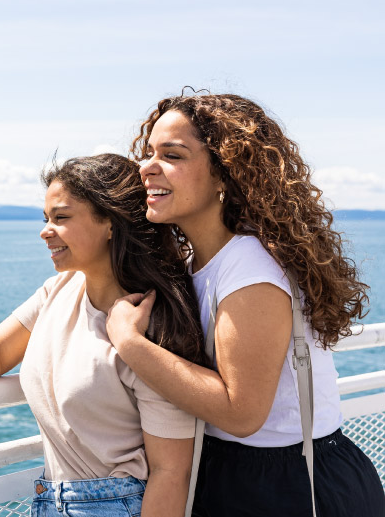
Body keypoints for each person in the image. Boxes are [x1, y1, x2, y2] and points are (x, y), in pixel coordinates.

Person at [0, 153, 208, 517]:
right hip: (51, 499)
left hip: (117, 505)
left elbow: (172, 472)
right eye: (46, 218)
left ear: (110, 223)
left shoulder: (152, 326)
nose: (45, 230)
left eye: (61, 218)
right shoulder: (59, 290)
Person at [106, 93, 385, 517]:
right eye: (149, 154)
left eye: (172, 154)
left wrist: (128, 342)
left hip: (287, 483)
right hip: (240, 472)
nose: (146, 167)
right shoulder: (199, 261)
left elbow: (241, 413)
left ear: (224, 174)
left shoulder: (249, 269)